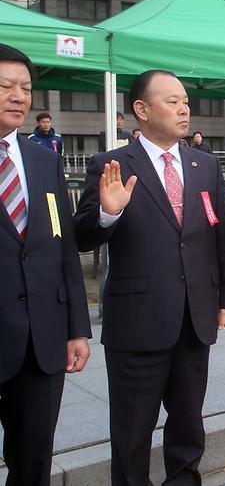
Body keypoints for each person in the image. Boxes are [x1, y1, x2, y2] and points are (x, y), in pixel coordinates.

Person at [74, 69, 225, 485]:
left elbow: (221, 234)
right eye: (172, 101)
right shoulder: (110, 164)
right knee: (132, 433)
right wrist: (108, 212)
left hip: (194, 318)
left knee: (188, 427)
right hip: (137, 321)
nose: (184, 107)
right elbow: (80, 237)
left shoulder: (204, 164)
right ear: (141, 110)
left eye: (185, 100)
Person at [0, 44, 91, 486]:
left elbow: (63, 247)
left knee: (33, 462)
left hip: (43, 341)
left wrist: (76, 327)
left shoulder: (43, 159)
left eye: (26, 88)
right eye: (5, 86)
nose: (19, 96)